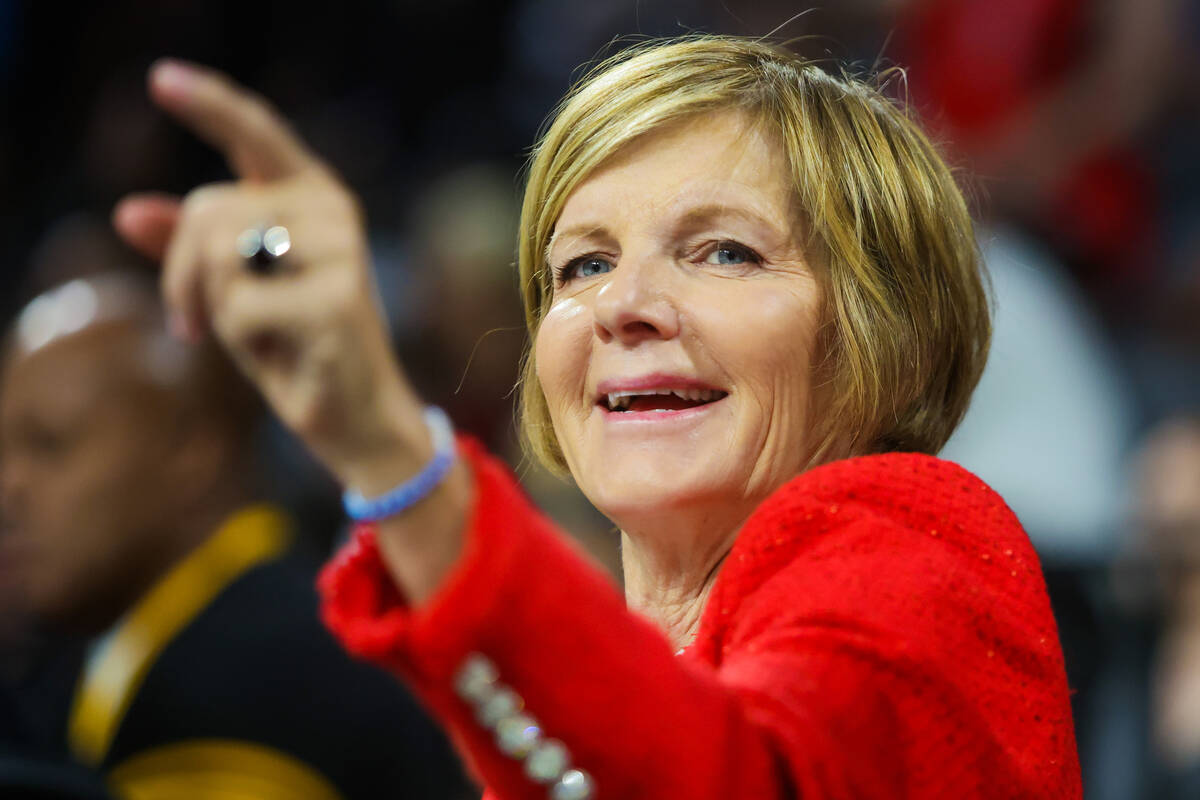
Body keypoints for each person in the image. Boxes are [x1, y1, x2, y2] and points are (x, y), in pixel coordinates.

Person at [113, 36, 1083, 798]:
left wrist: (384, 442)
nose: (625, 303)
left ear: (885, 330)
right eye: (583, 263)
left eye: (724, 252)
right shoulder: (607, 692)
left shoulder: (913, 524)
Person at [0, 257, 474, 799]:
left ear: (191, 451)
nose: (9, 488)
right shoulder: (240, 633)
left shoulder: (244, 687)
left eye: (48, 444)